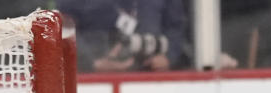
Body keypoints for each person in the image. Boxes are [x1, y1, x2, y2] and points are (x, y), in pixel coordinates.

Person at [58, 0, 188, 72]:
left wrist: (168, 57)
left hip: (151, 75)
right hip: (96, 81)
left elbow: (176, 26)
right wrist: (92, 63)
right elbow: (65, 29)